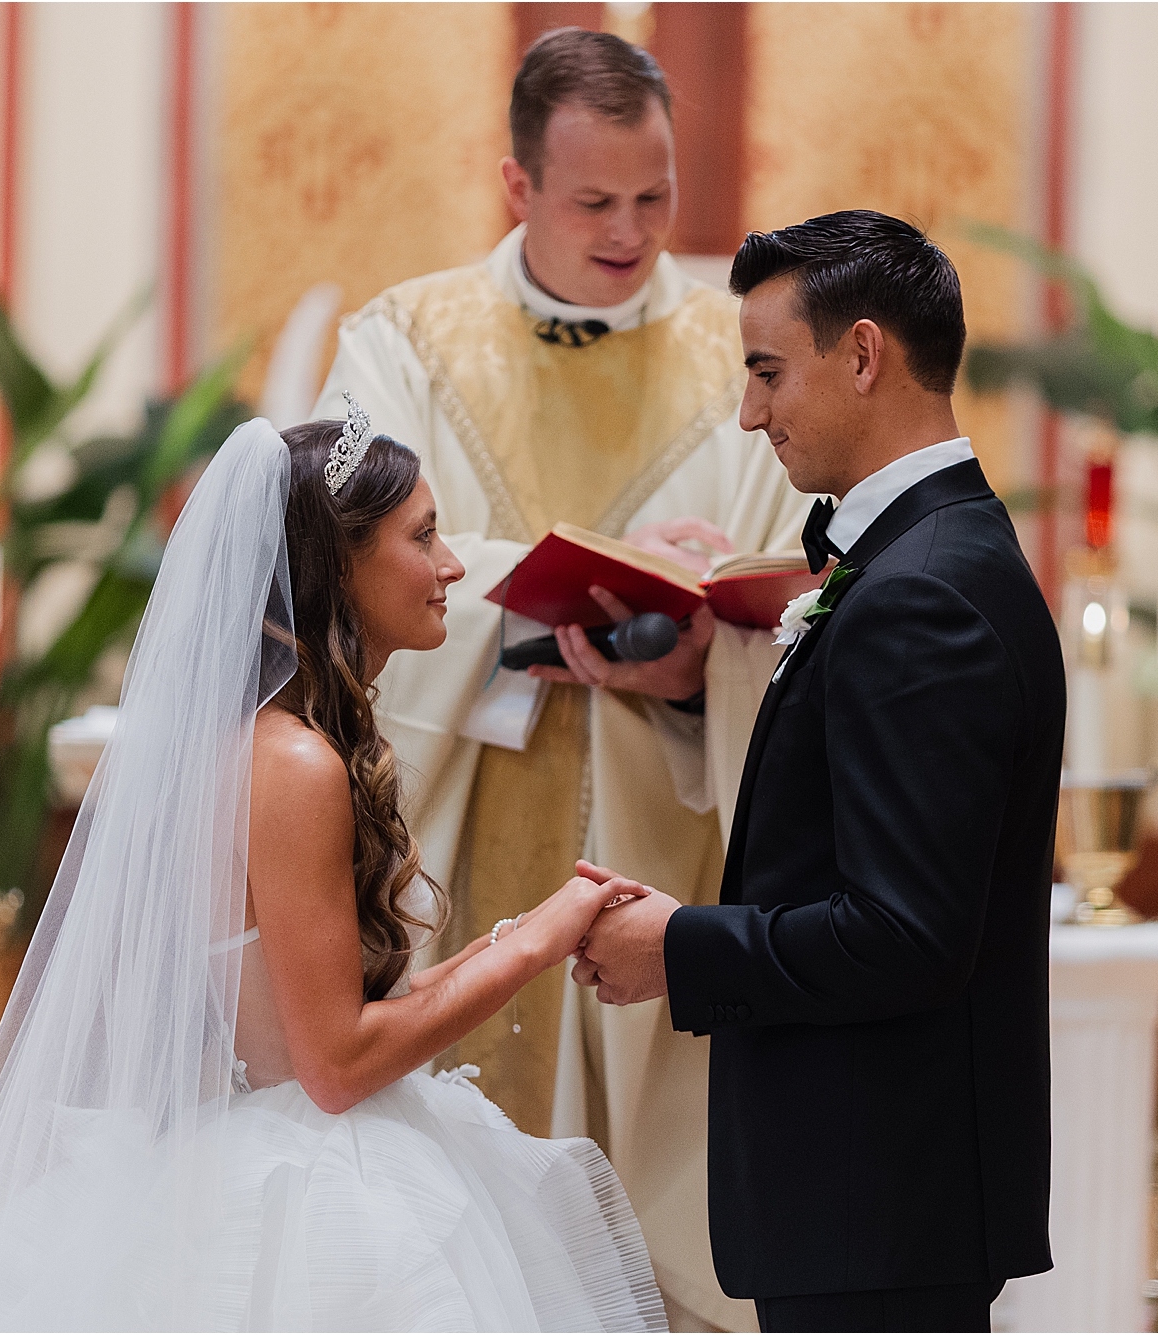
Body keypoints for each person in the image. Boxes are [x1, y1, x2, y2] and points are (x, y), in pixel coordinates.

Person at [0, 406, 667, 1332]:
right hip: (319, 1177)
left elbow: (335, 1015)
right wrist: (536, 943)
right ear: (336, 566)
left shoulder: (256, 746)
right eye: (423, 536)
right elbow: (334, 1064)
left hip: (243, 1137)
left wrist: (539, 922)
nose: (453, 566)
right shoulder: (292, 765)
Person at [314, 26, 806, 1328]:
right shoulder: (405, 339)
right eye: (595, 200)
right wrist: (548, 589)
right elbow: (342, 560)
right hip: (454, 808)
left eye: (657, 197)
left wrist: (704, 665)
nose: (633, 231)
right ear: (517, 186)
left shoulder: (737, 358)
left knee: (642, 1250)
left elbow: (780, 592)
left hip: (654, 826)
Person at [572, 211, 1067, 1333]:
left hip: (875, 1193)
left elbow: (904, 935)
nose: (748, 413)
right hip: (873, 1199)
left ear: (859, 354)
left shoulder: (917, 595)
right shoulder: (917, 559)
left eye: (764, 372)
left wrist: (678, 947)